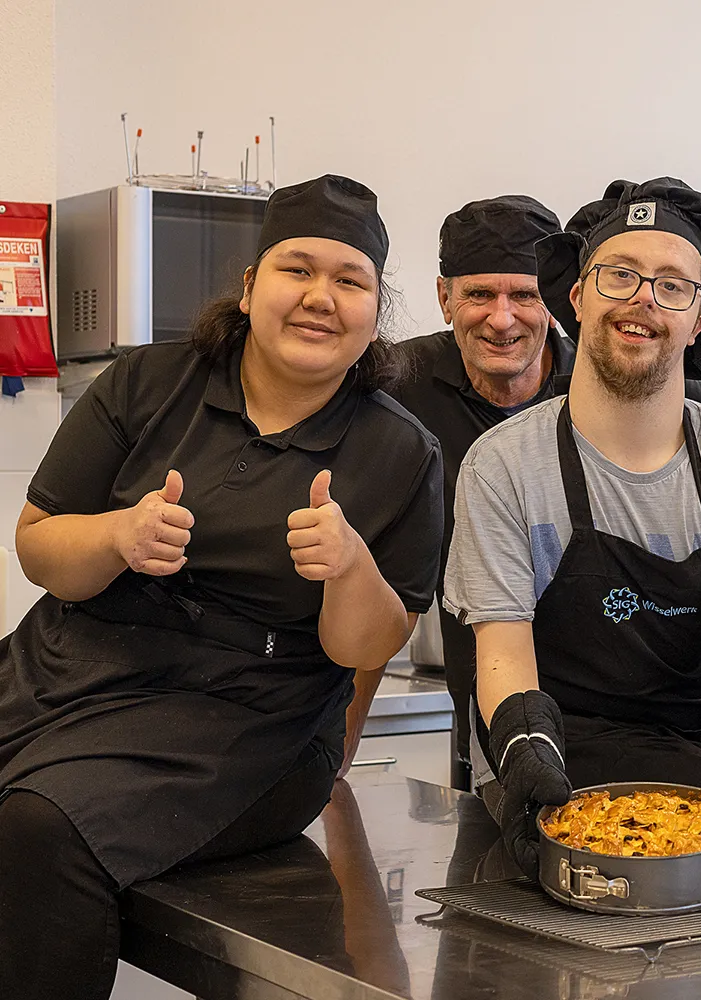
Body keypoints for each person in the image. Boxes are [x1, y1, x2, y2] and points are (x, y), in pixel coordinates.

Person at [0, 174, 443, 1000]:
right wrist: (116, 534)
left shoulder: (401, 454)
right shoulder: (147, 383)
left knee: (40, 826)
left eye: (350, 281)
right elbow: (38, 546)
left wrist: (349, 568)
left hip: (247, 718)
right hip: (68, 667)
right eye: (296, 270)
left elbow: (370, 645)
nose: (321, 297)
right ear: (249, 288)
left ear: (375, 314)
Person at [444, 177, 701, 887]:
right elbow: (501, 651)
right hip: (546, 745)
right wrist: (525, 749)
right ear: (576, 298)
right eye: (619, 276)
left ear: (698, 319)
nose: (643, 301)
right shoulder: (503, 464)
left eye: (672, 285)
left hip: (687, 746)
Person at [358, 195, 701, 788]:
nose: (502, 319)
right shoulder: (416, 400)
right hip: (515, 709)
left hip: (686, 740)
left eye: (524, 296)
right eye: (479, 294)